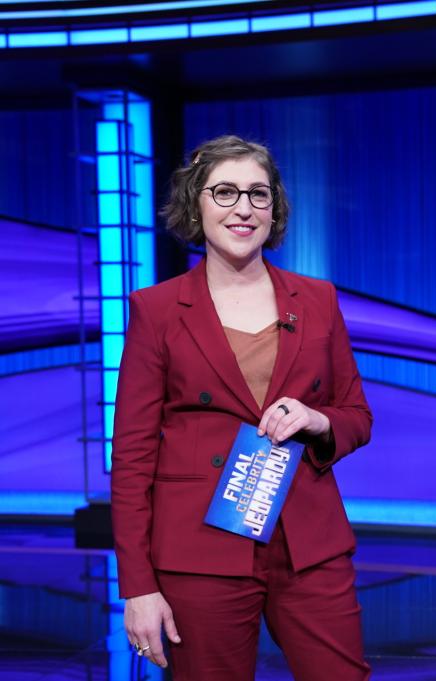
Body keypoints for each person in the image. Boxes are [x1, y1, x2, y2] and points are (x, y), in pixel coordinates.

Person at [111, 135, 372, 680]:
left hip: (308, 543)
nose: (243, 208)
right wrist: (137, 586)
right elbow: (132, 458)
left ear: (274, 207)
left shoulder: (318, 299)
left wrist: (317, 419)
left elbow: (356, 414)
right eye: (225, 192)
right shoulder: (156, 310)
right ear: (195, 203)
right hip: (200, 548)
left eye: (258, 194)